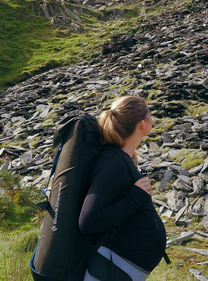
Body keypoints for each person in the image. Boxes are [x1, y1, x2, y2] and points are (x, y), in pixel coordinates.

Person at [79, 95, 167, 281]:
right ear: (142, 124)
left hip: (120, 269)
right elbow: (88, 221)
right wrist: (135, 198)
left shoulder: (122, 157)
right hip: (112, 268)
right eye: (149, 114)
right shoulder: (113, 162)